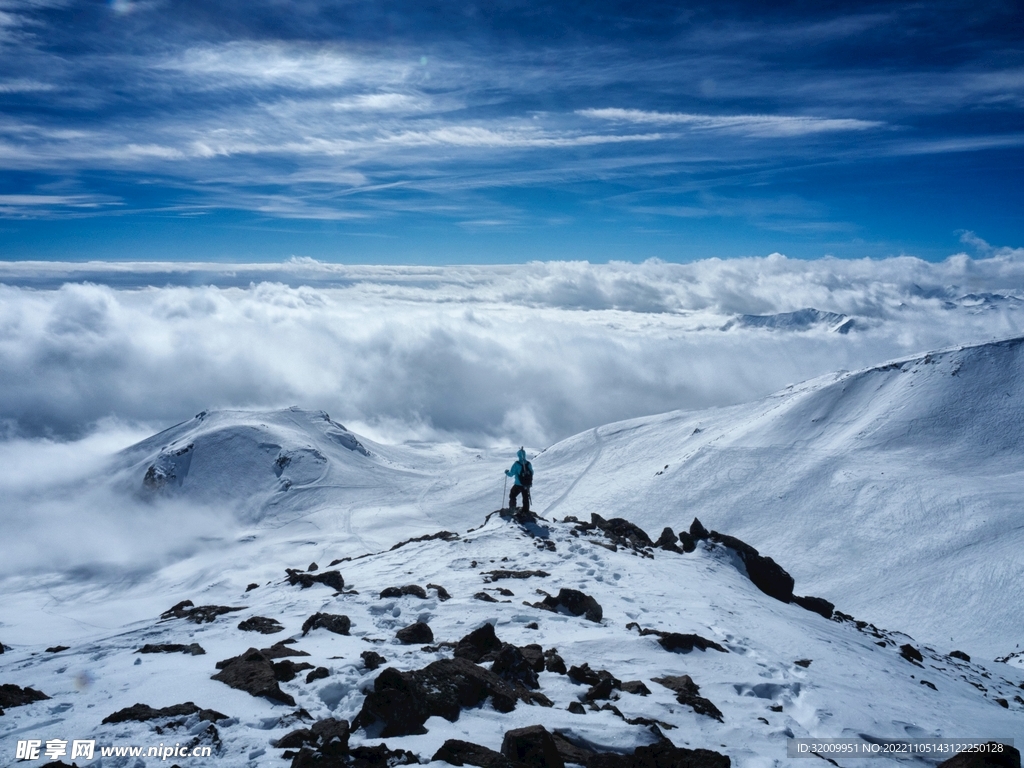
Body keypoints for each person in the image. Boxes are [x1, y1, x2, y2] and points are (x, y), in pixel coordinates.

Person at [505, 447, 533, 513]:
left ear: (518, 455)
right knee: (525, 497)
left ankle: (512, 509)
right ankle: (525, 511)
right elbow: (532, 472)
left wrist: (506, 472)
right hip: (526, 485)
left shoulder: (517, 464)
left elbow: (511, 474)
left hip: (518, 484)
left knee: (512, 495)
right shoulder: (528, 464)